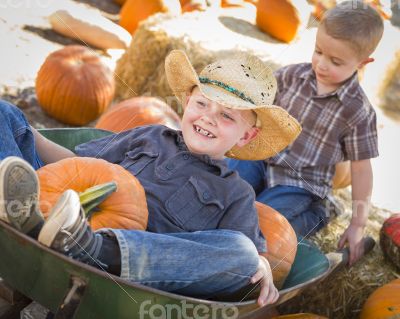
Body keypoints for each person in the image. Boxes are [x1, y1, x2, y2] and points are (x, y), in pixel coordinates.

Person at [0, 50, 301, 307]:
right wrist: (24, 132)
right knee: (5, 112)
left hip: (126, 272)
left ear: (247, 135)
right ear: (186, 101)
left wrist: (261, 261)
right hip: (61, 211)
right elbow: (78, 166)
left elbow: (239, 258)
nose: (209, 117)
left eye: (227, 116)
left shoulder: (236, 193)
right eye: (202, 103)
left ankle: (90, 247)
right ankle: (17, 208)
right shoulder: (150, 136)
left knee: (243, 254)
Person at [227, 0, 384, 266]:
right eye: (318, 51)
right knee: (225, 190)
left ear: (363, 62)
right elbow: (256, 111)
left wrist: (358, 224)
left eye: (335, 61)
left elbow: (360, 170)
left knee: (261, 223)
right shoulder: (290, 76)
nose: (321, 64)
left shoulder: (358, 111)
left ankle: (318, 213)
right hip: (263, 158)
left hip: (299, 182)